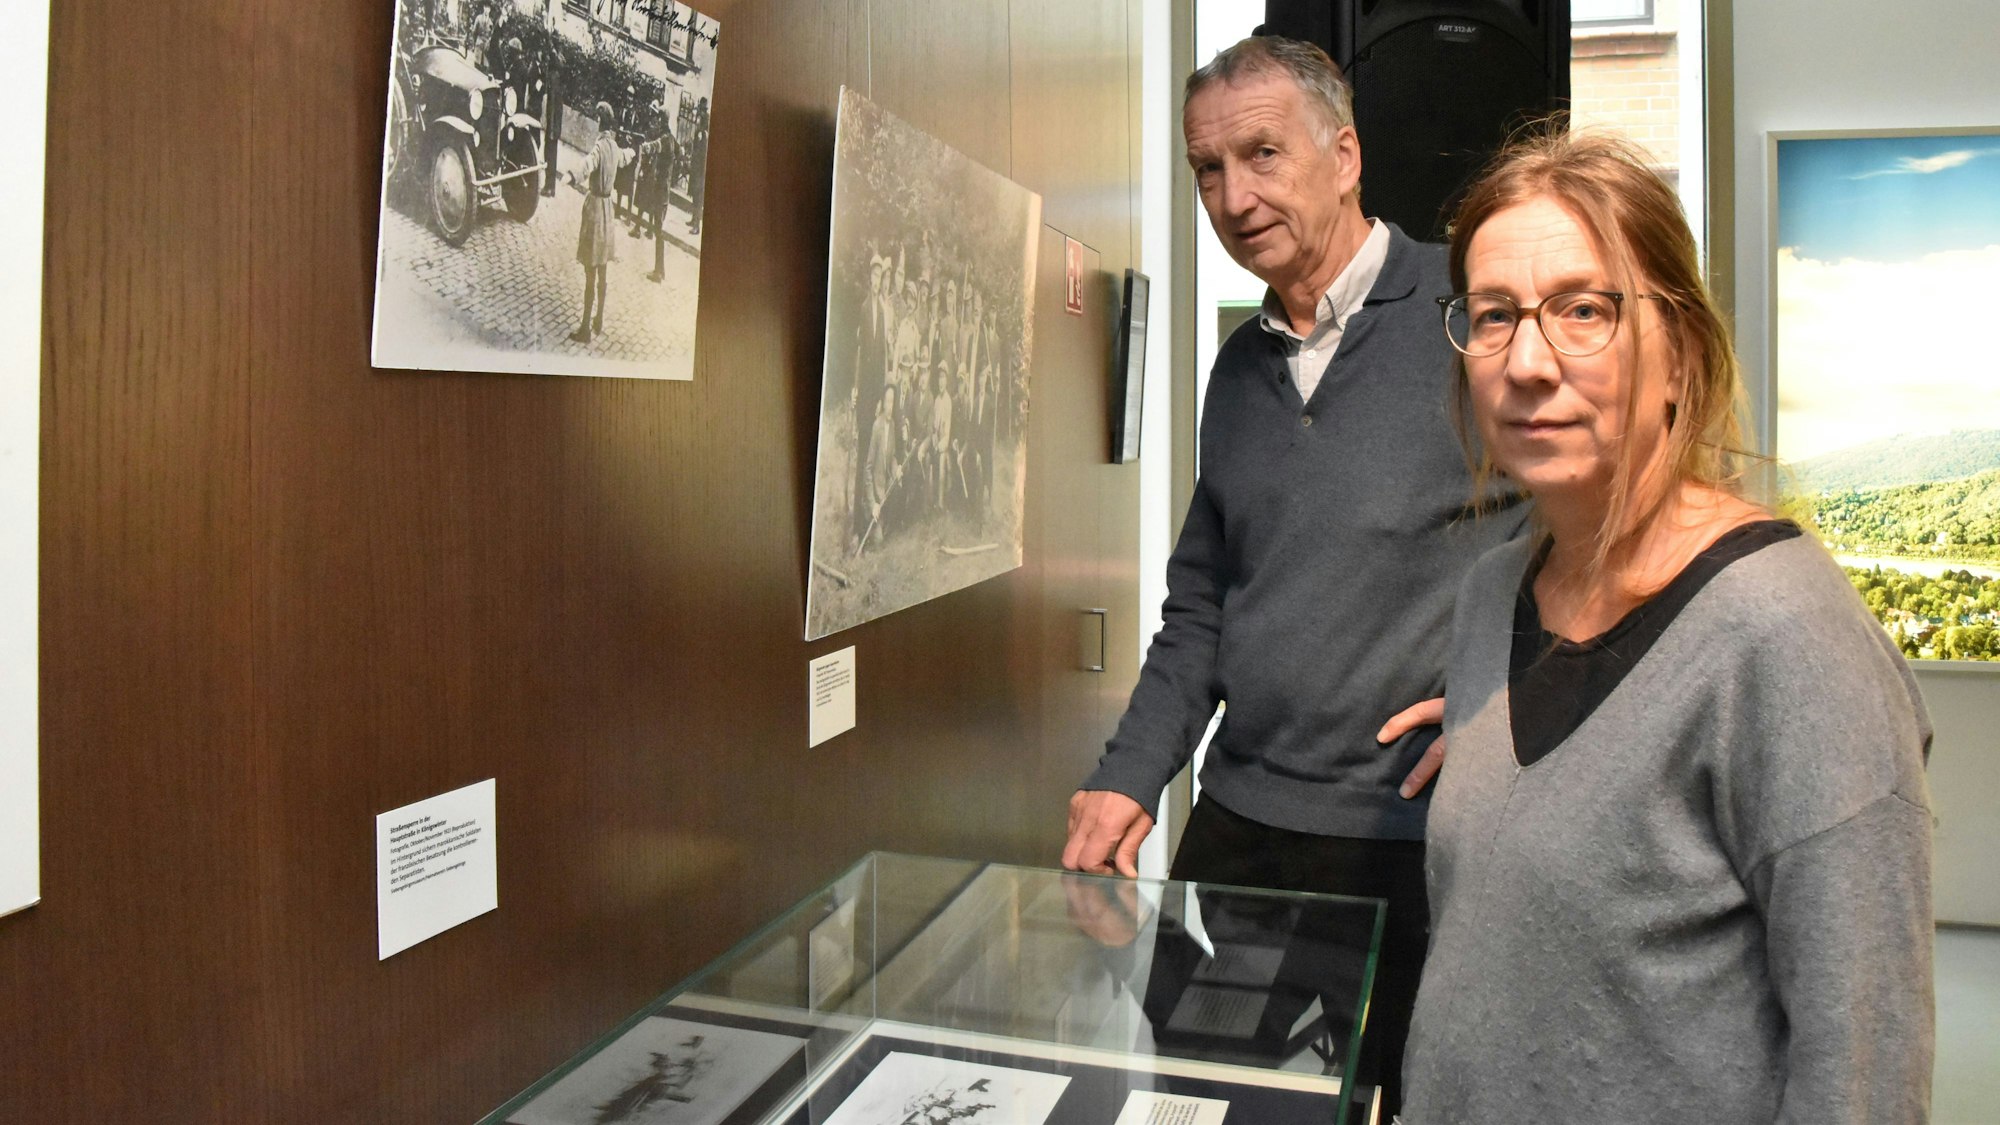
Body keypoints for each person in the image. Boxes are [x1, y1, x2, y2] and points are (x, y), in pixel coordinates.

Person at [1397, 128, 1934, 1124]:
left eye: (1582, 310)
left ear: (1678, 354)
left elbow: (1862, 1073)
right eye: (1494, 315)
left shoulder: (1783, 635)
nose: (1526, 362)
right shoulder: (1489, 599)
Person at [1059, 36, 1526, 1118]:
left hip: (1414, 837)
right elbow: (1199, 609)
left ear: (1345, 155)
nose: (1233, 197)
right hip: (1240, 831)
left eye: (1262, 155)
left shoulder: (1475, 313)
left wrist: (1516, 694)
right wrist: (1129, 775)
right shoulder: (1238, 368)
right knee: (1210, 1102)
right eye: (1208, 169)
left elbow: (1600, 537)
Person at [567, 101, 632, 343]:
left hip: (595, 207)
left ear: (598, 121)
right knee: (603, 268)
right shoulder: (614, 147)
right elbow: (625, 158)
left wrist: (572, 175)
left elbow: (588, 164)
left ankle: (585, 328)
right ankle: (599, 319)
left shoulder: (600, 147)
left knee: (590, 271)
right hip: (608, 209)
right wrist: (635, 151)